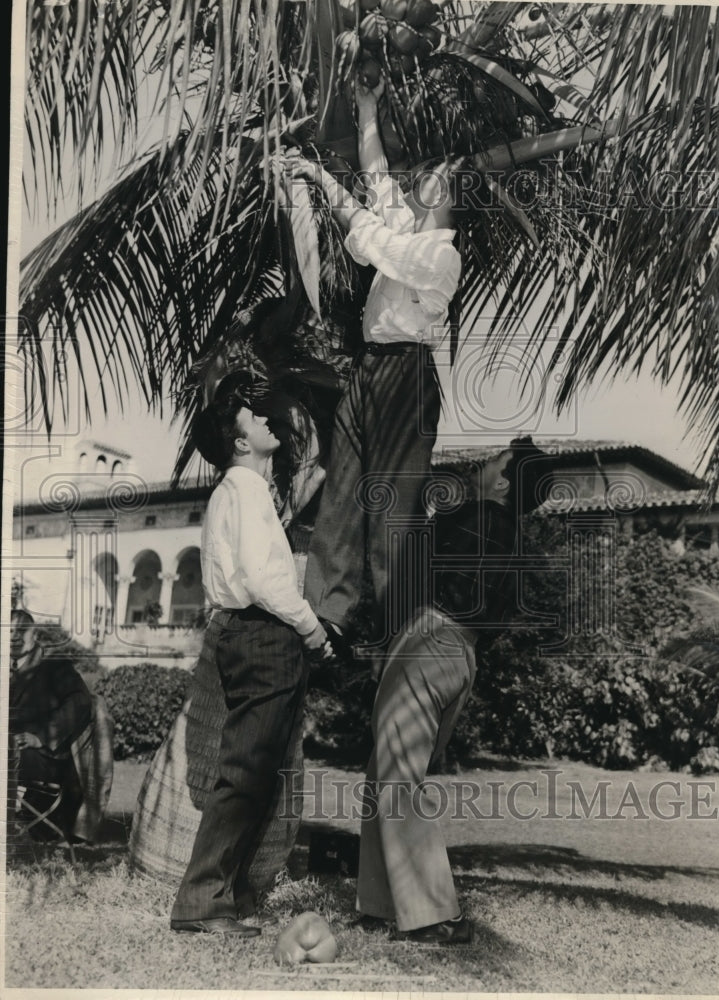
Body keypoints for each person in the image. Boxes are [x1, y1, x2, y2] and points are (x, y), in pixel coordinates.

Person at [287, 76, 476, 654]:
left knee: (393, 506)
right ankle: (329, 612)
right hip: (370, 367)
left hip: (404, 376)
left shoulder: (439, 256)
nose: (420, 184)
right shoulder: (406, 227)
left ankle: (401, 627)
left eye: (431, 181)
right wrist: (365, 109)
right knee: (342, 489)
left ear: (445, 200)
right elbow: (375, 176)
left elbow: (369, 232)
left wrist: (322, 179)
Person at [355, 439, 555, 944]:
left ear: (503, 482)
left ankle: (434, 915)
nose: (482, 463)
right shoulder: (511, 538)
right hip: (461, 652)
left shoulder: (476, 516)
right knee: (387, 774)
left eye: (495, 461)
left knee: (396, 778)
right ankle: (384, 905)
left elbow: (410, 556)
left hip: (432, 641)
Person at [169, 378, 331, 939]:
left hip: (244, 633)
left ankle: (227, 897)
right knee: (246, 775)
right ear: (241, 443)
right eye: (254, 419)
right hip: (264, 634)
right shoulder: (247, 490)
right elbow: (264, 580)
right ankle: (202, 901)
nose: (265, 421)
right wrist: (311, 628)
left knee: (256, 775)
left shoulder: (233, 492)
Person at [9, 609, 112, 844]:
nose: (14, 637)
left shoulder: (54, 666)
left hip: (44, 756)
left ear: (35, 635)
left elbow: (80, 702)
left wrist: (41, 736)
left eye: (21, 630)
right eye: (9, 631)